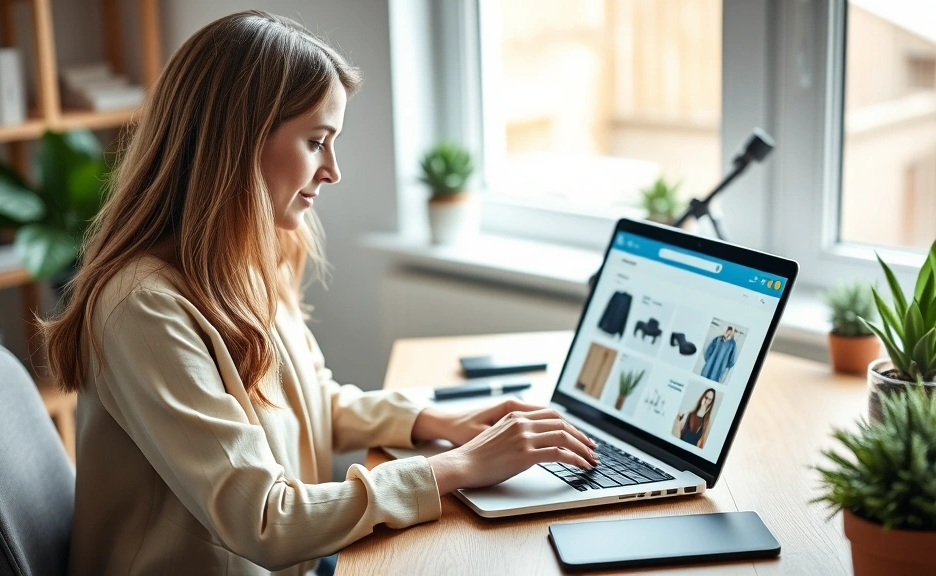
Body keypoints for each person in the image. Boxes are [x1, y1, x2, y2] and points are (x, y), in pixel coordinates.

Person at [42, 11, 598, 576]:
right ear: (238, 142)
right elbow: (265, 519)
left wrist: (437, 422)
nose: (332, 170)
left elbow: (311, 402)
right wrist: (454, 468)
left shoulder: (244, 260)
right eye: (316, 142)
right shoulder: (142, 307)